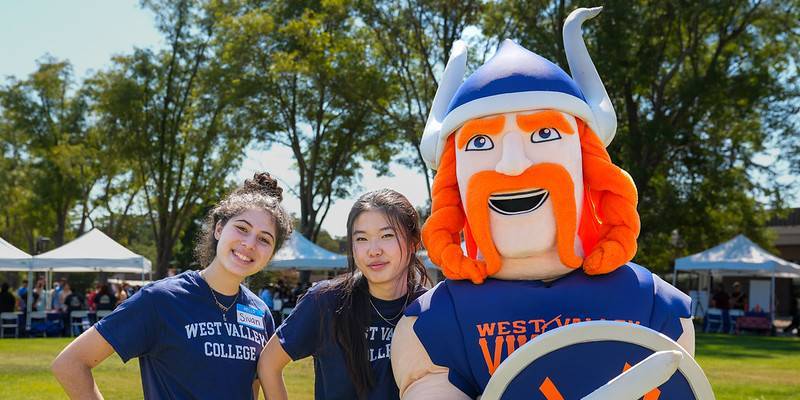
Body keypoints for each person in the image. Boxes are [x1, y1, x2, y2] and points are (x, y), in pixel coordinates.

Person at [391, 9, 698, 398]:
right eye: (481, 143)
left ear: (587, 164)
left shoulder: (652, 304)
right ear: (455, 179)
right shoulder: (436, 324)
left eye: (545, 133)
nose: (513, 163)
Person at [52, 172, 292, 399]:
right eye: (242, 228)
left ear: (270, 255)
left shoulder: (261, 314)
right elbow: (71, 363)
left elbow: (252, 391)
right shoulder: (160, 300)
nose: (249, 244)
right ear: (219, 228)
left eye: (264, 239)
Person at [259, 189, 430, 400]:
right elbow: (268, 363)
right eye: (361, 239)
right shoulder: (325, 302)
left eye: (387, 235)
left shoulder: (431, 309)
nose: (373, 250)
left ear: (413, 243)